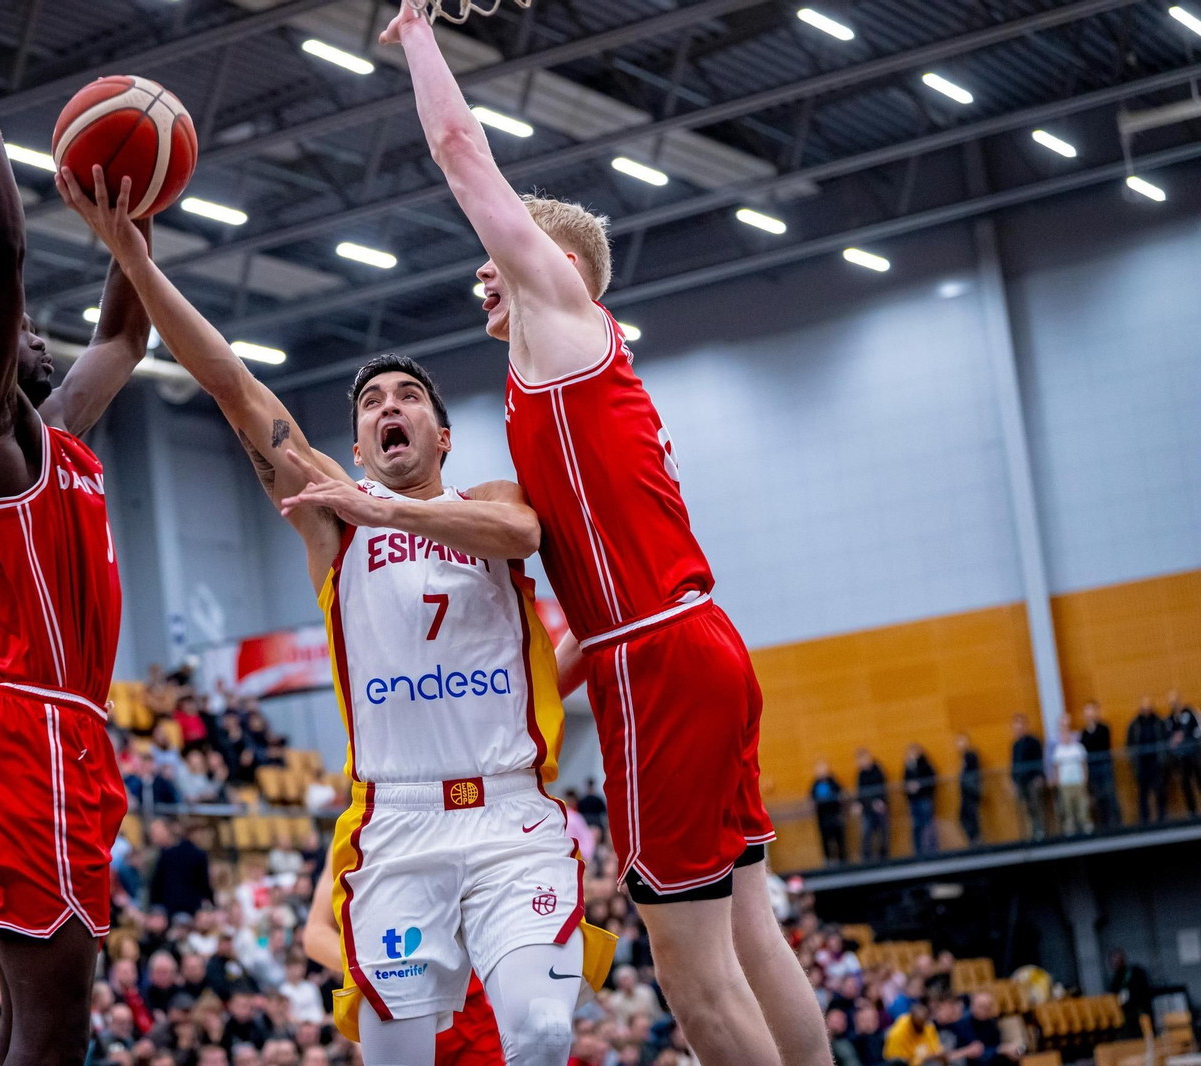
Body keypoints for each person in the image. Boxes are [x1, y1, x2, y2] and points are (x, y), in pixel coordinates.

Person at [63, 128, 613, 1065]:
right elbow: (230, 382)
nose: (388, 407)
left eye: (407, 398)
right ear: (357, 445)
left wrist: (384, 505)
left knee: (540, 1026)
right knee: (395, 1055)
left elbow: (522, 539)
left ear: (441, 434)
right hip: (395, 822)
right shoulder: (334, 519)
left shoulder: (491, 500)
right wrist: (133, 261)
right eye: (371, 404)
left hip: (510, 816)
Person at [379, 6, 823, 1066]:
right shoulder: (566, 379)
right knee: (751, 927)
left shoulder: (563, 322)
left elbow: (455, 148)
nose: (483, 270)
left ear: (556, 266)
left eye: (503, 256)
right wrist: (533, 697)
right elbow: (586, 601)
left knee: (687, 968)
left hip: (660, 665)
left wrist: (415, 32)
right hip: (686, 640)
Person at [0, 3, 154, 1063]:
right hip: (33, 741)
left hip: (66, 735)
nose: (39, 328)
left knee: (33, 1023)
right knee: (55, 1033)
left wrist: (129, 212)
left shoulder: (52, 434)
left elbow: (123, 331)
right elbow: (2, 247)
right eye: (13, 325)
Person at [304, 847, 504, 1065]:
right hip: (394, 1001)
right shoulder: (359, 829)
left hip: (468, 1013)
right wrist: (380, 971)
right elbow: (315, 934)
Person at [1081, 701, 1120, 830]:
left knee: (1109, 794)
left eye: (1090, 710)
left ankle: (1116, 823)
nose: (1088, 714)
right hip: (1092, 768)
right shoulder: (1084, 733)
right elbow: (1085, 748)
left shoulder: (1104, 728)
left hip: (1104, 766)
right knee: (1098, 797)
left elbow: (1101, 743)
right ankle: (1104, 825)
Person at [1128, 698, 1168, 824]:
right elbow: (1130, 744)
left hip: (1156, 762)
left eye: (1148, 707)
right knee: (1143, 793)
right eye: (1144, 708)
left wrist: (1163, 758)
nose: (1146, 710)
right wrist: (1134, 761)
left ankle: (1162, 817)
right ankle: (1144, 819)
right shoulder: (1135, 724)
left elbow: (1164, 739)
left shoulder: (1158, 721)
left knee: (1160, 790)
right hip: (1142, 764)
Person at [1052, 716, 1092, 836]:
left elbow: (1083, 764)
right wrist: (1058, 781)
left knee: (1082, 805)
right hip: (1065, 783)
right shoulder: (1058, 750)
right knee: (1067, 808)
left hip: (1078, 781)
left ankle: (1086, 827)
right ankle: (1070, 829)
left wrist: (1085, 777)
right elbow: (1057, 767)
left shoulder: (1078, 748)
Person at [1009, 715, 1047, 840]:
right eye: (1016, 725)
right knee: (1026, 808)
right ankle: (1031, 832)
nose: (1018, 728)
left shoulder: (1034, 741)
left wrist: (1039, 777)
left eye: (1020, 724)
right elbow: (1014, 764)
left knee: (1036, 805)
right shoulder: (1015, 745)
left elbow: (1039, 760)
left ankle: (1040, 831)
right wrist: (1014, 781)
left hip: (1032, 779)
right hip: (1021, 782)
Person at [1166, 690, 1200, 817]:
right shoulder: (1169, 719)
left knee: (1199, 780)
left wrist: (1185, 738)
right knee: (1186, 784)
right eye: (1171, 702)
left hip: (1195, 755)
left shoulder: (1190, 713)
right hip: (1181, 758)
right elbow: (1169, 739)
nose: (1173, 704)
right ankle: (1192, 811)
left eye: (1175, 701)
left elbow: (1197, 731)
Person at [854, 749, 889, 862]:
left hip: (879, 807)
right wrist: (859, 803)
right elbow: (860, 792)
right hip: (867, 808)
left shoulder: (877, 770)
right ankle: (866, 858)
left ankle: (884, 856)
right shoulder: (860, 774)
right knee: (866, 833)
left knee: (883, 832)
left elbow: (882, 788)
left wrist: (880, 801)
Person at [882, 1000, 943, 1064]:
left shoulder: (928, 1026)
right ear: (911, 1020)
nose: (921, 1027)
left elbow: (936, 1051)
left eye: (923, 1023)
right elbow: (895, 1061)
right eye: (918, 1025)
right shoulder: (898, 1033)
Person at [903, 744, 938, 856]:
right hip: (914, 800)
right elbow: (904, 782)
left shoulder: (925, 765)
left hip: (925, 799)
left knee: (928, 825)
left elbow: (931, 780)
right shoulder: (908, 767)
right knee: (916, 826)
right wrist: (909, 789)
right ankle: (918, 852)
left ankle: (932, 850)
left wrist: (920, 786)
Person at [809, 761, 847, 865]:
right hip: (823, 817)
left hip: (834, 815)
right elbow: (812, 799)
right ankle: (828, 860)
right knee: (825, 840)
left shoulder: (833, 782)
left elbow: (841, 794)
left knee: (839, 839)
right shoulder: (815, 785)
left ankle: (842, 860)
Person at [954, 733, 983, 845]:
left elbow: (974, 773)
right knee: (963, 817)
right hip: (965, 792)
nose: (959, 744)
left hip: (971, 791)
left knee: (972, 815)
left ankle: (976, 839)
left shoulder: (971, 755)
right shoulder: (963, 757)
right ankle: (973, 838)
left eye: (962, 741)